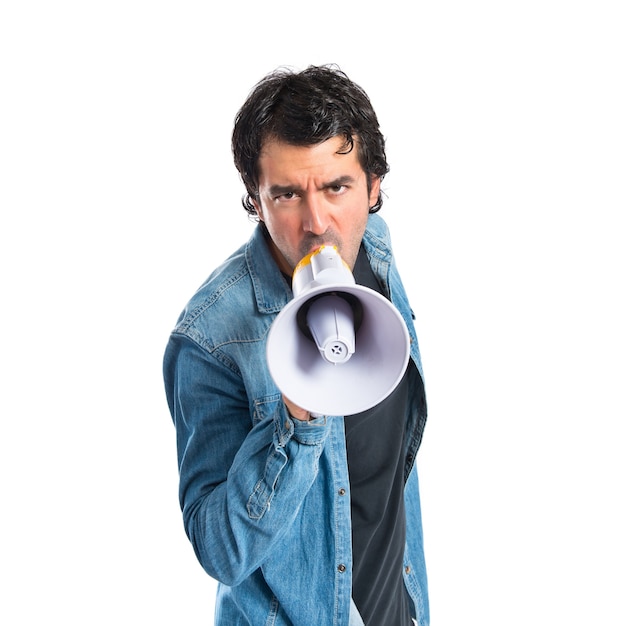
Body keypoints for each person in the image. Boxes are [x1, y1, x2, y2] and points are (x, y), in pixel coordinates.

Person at [163, 64, 429, 626]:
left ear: (374, 187)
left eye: (337, 187)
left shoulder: (374, 248)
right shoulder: (210, 338)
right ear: (255, 201)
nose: (318, 223)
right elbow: (221, 551)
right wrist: (295, 419)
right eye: (287, 194)